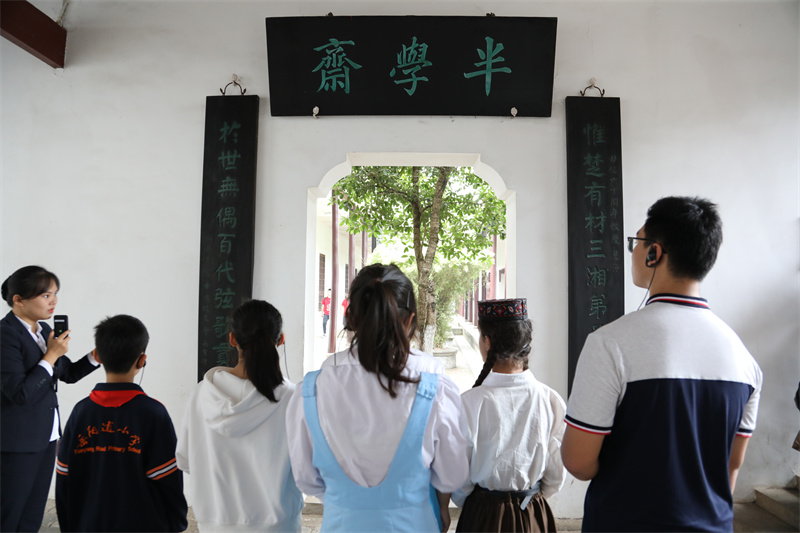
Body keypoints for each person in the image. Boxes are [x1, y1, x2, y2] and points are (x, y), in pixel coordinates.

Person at [561, 196, 763, 532]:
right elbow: (731, 465)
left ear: (654, 252)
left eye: (636, 243)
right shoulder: (744, 361)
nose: (634, 252)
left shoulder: (610, 344)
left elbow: (578, 462)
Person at [286, 263, 468, 532]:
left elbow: (306, 479)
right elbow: (452, 475)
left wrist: (347, 499)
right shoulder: (435, 390)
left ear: (351, 317)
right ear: (409, 320)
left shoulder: (310, 391)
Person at [176, 300, 303, 532]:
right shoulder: (293, 399)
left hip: (215, 525)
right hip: (278, 526)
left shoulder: (201, 396)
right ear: (281, 339)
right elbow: (307, 467)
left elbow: (184, 459)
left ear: (232, 339)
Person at [55, 315, 188, 532]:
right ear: (142, 360)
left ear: (97, 356)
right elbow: (167, 478)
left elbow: (64, 475)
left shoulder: (81, 411)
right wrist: (177, 523)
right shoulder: (153, 413)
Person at [0, 265, 101, 532]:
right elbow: (19, 392)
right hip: (16, 442)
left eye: (55, 294)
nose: (53, 301)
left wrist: (96, 357)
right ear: (18, 300)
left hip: (46, 436)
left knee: (32, 515)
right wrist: (51, 355)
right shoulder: (5, 334)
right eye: (45, 295)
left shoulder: (44, 331)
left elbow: (68, 374)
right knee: (8, 514)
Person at [453, 298, 565, 533]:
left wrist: (478, 505)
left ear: (487, 341)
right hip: (533, 513)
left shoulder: (468, 403)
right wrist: (531, 498)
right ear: (525, 343)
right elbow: (556, 476)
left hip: (482, 517)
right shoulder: (551, 400)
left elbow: (459, 481)